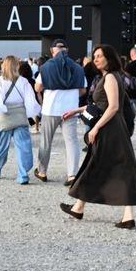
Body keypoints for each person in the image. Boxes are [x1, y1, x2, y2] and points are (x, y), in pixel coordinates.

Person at [60, 45, 136, 228]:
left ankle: (83, 208)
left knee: (107, 167)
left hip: (110, 129)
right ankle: (79, 207)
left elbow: (113, 107)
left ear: (109, 58)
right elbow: (99, 104)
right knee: (102, 166)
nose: (96, 59)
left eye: (100, 56)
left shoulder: (111, 78)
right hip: (110, 128)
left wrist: (95, 128)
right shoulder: (107, 77)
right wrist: (75, 110)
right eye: (94, 56)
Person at [34, 41, 86, 185]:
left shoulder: (45, 67)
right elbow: (83, 90)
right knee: (72, 142)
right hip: (71, 110)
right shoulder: (77, 67)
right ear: (66, 50)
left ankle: (42, 171)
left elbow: (38, 88)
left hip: (50, 109)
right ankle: (72, 175)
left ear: (52, 51)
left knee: (46, 141)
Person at [0, 55, 40, 184]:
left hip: (5, 117)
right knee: (23, 147)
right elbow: (30, 100)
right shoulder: (24, 81)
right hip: (20, 116)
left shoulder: (0, 81)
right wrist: (33, 114)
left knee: (1, 146)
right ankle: (22, 175)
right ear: (17, 66)